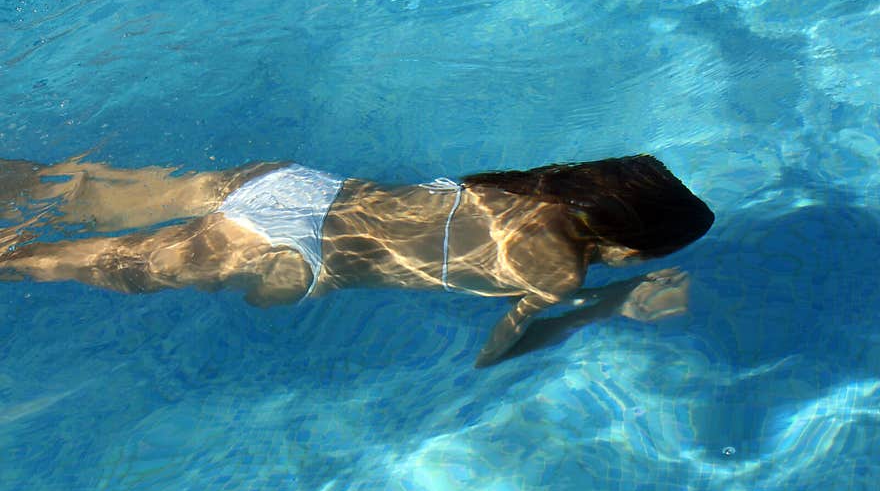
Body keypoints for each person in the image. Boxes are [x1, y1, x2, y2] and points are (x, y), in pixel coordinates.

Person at [0, 154, 713, 366]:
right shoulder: (559, 273)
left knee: (90, 194)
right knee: (92, 266)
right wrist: (617, 303)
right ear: (629, 247)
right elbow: (498, 350)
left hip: (296, 183)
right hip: (294, 245)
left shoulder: (526, 187)